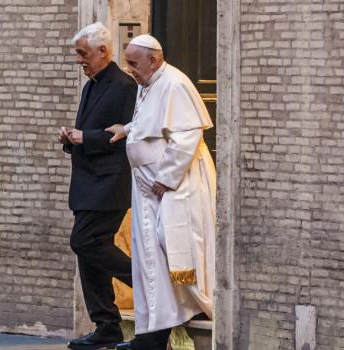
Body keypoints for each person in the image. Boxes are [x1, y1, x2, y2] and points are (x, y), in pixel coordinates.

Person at [105, 34, 216, 350]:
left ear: (153, 59)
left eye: (134, 63)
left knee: (170, 253)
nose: (129, 70)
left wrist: (167, 177)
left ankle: (176, 324)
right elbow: (155, 124)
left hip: (177, 189)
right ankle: (150, 335)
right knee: (148, 263)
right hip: (149, 192)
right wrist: (127, 129)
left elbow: (187, 134)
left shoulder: (175, 84)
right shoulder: (148, 83)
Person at [58, 22, 137, 350]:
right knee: (88, 253)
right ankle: (106, 326)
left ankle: (147, 284)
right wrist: (71, 138)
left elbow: (128, 135)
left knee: (84, 242)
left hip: (109, 184)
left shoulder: (124, 86)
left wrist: (84, 137)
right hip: (88, 183)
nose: (79, 60)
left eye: (83, 53)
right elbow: (90, 131)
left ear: (103, 51)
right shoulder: (91, 85)